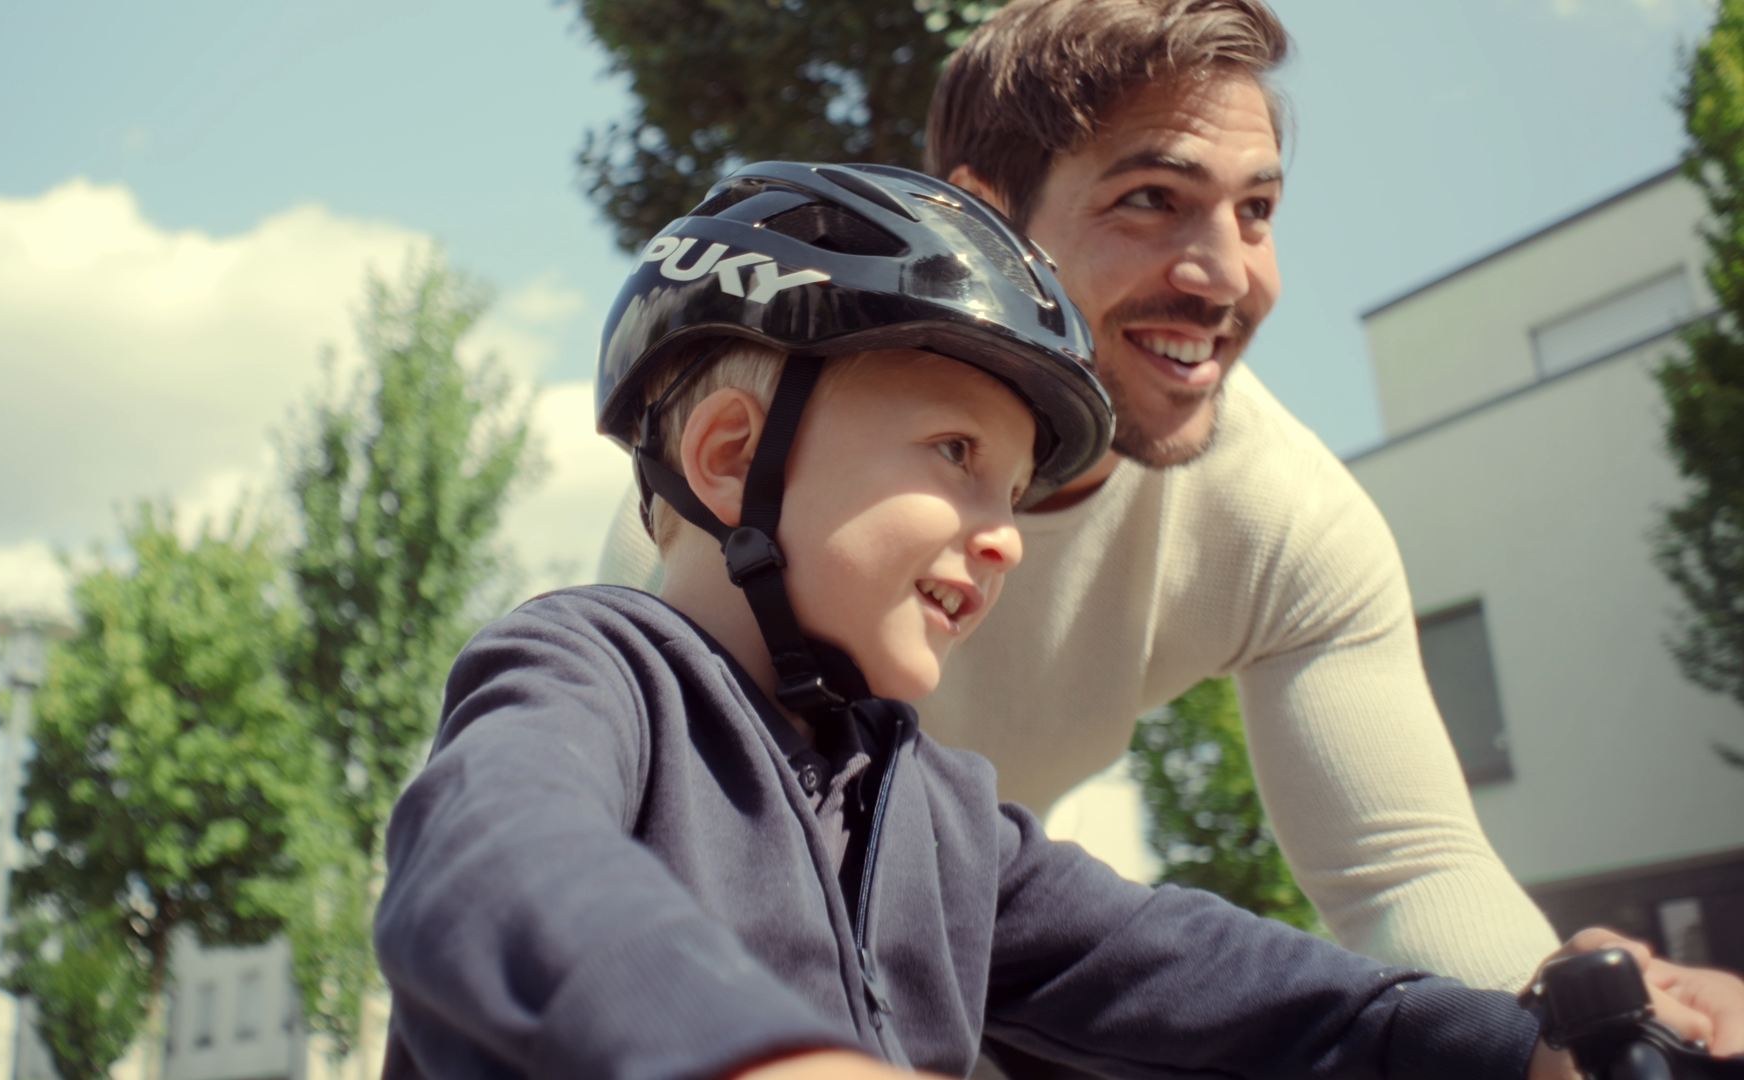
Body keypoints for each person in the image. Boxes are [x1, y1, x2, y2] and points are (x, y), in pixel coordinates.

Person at [373, 162, 1741, 1080]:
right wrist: (753, 1056)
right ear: (732, 456)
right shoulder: (592, 670)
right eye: (958, 456)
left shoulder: (938, 819)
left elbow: (1214, 981)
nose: (1005, 532)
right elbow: (496, 864)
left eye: (1020, 492)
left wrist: (1519, 1044)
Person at [596, 0, 1558, 995]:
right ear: (983, 214)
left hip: (967, 967)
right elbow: (593, 865)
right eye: (1149, 198)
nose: (1227, 274)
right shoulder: (741, 498)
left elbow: (1404, 870)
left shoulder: (1286, 521)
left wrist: (1579, 1011)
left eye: (1257, 210)